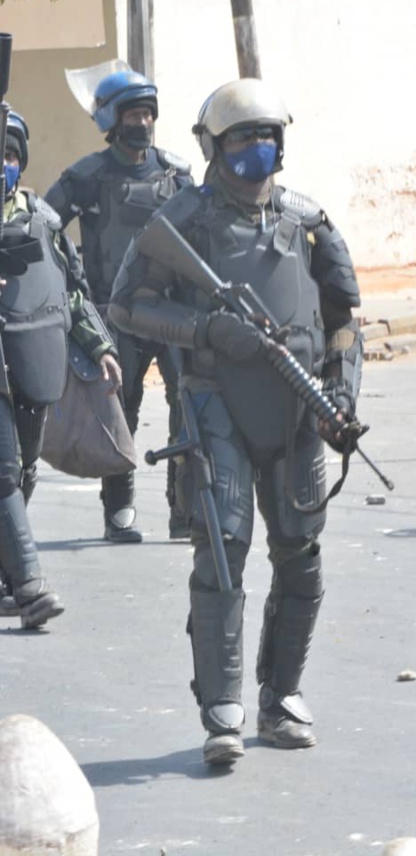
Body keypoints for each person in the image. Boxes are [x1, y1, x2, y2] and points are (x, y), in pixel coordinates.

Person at [108, 78, 363, 764]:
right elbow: (127, 305)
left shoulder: (309, 223)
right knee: (222, 550)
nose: (256, 148)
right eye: (242, 137)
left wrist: (342, 397)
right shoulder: (182, 221)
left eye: (266, 136)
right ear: (213, 147)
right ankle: (222, 707)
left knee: (301, 553)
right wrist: (207, 330)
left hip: (298, 409)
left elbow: (343, 322)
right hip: (216, 403)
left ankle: (282, 696)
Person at [45, 70, 194, 544]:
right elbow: (44, 229)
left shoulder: (176, 175)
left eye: (148, 114)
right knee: (119, 411)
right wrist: (67, 288)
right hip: (115, 316)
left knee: (188, 406)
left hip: (172, 315)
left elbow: (203, 236)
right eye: (133, 115)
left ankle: (186, 509)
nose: (143, 123)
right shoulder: (86, 178)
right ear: (111, 120)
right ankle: (119, 511)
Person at [0, 109, 121, 628]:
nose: (3, 164)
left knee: (24, 470)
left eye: (9, 155)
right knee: (3, 470)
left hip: (32, 359)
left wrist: (100, 346)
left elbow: (71, 291)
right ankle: (31, 585)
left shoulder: (44, 220)